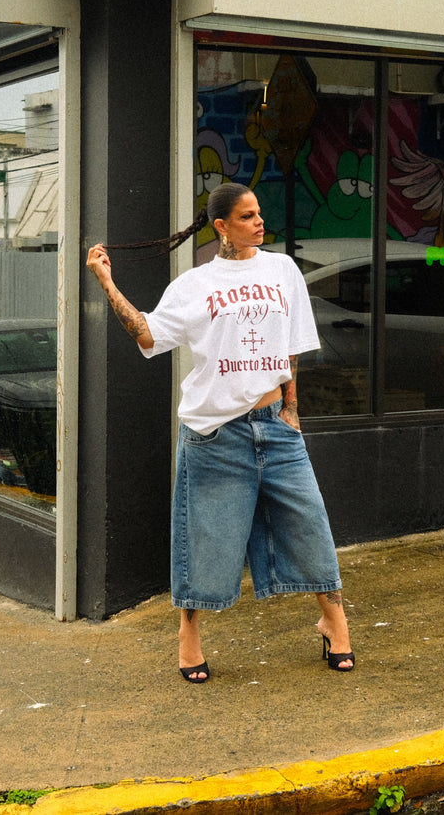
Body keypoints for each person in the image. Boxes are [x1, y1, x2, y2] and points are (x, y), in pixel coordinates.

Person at [85, 183, 354, 683]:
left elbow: (291, 344)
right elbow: (147, 334)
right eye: (247, 216)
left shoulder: (282, 270)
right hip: (215, 435)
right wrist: (106, 280)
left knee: (310, 525)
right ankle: (189, 636)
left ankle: (334, 620)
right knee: (204, 539)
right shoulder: (195, 285)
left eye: (260, 214)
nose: (259, 222)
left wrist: (292, 409)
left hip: (275, 427)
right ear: (222, 226)